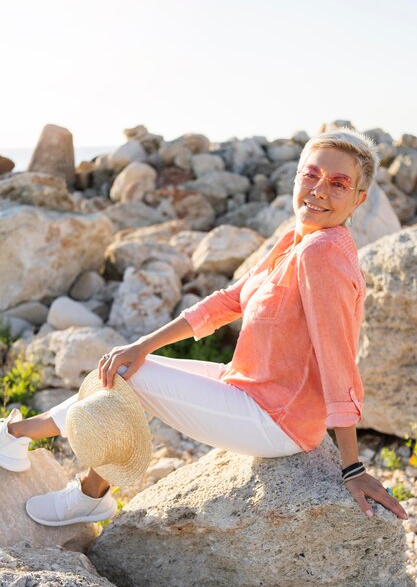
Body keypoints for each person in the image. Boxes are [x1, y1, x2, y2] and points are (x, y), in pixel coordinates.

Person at [0, 128, 408, 525]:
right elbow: (230, 300)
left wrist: (352, 466)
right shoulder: (297, 240)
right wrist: (144, 344)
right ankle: (22, 437)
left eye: (338, 184)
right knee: (127, 365)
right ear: (296, 177)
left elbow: (337, 359)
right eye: (312, 175)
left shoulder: (322, 254)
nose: (319, 190)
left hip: (276, 419)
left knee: (127, 378)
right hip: (249, 387)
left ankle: (63, 473)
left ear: (359, 199)